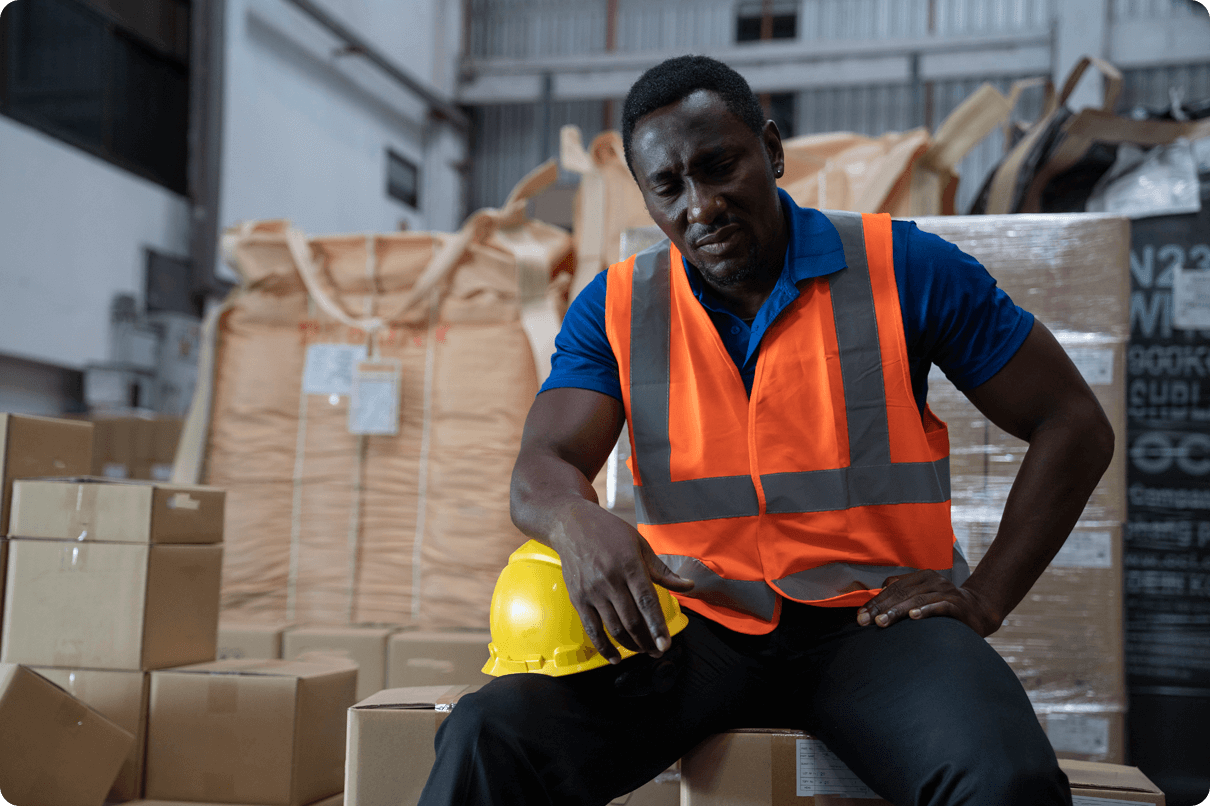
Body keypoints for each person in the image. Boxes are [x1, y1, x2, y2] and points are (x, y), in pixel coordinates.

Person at [418, 55, 1113, 806]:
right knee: (487, 736)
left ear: (772, 152)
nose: (702, 205)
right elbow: (542, 464)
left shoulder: (902, 266)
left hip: (876, 624)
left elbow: (1073, 423)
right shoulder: (616, 307)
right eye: (669, 186)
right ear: (647, 198)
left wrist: (985, 596)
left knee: (1007, 780)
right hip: (693, 632)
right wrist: (572, 518)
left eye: (720, 166)